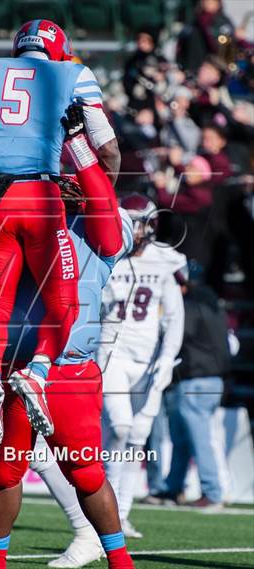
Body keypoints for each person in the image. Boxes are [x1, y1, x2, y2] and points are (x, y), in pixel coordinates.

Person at [0, 108, 134, 569]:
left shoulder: (103, 229)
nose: (67, 186)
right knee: (3, 472)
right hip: (15, 366)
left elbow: (107, 213)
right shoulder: (15, 218)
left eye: (73, 180)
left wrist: (77, 143)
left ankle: (118, 558)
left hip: (67, 367)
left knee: (87, 473)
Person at [0, 20, 121, 449]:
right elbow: (110, 151)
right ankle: (37, 373)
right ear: (60, 49)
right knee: (64, 304)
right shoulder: (73, 74)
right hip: (44, 199)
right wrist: (95, 193)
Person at [98, 193, 186, 538]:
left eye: (140, 222)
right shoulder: (106, 256)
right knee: (119, 428)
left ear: (152, 225)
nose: (134, 230)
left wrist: (166, 359)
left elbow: (175, 318)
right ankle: (105, 513)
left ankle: (121, 514)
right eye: (129, 222)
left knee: (136, 437)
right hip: (113, 355)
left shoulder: (165, 260)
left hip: (149, 360)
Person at [161, 280, 231, 509]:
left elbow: (177, 336)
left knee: (199, 440)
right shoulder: (213, 306)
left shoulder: (189, 307)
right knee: (183, 437)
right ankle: (173, 488)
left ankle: (212, 492)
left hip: (196, 381)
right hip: (212, 379)